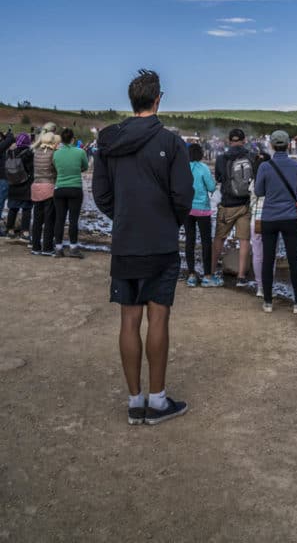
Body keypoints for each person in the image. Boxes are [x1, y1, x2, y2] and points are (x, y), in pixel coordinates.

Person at [92, 69, 193, 426]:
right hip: (161, 242)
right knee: (159, 317)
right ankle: (159, 401)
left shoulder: (108, 143)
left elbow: (101, 194)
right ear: (158, 99)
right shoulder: (171, 141)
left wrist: (122, 217)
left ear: (132, 101)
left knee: (129, 318)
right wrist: (169, 221)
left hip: (125, 241)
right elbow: (183, 195)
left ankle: (136, 403)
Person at [253, 129, 297, 314]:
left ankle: (268, 302)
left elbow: (259, 192)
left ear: (272, 145)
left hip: (269, 218)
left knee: (268, 259)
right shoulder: (295, 166)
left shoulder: (265, 167)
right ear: (288, 144)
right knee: (294, 260)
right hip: (290, 217)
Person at [206, 129, 255, 288]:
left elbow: (219, 178)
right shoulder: (251, 156)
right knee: (244, 240)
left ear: (229, 141)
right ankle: (241, 276)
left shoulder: (221, 158)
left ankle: (211, 271)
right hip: (245, 205)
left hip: (227, 204)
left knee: (219, 238)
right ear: (244, 140)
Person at [52, 127, 89, 257]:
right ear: (73, 139)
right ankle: (73, 248)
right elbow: (85, 166)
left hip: (59, 188)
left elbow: (56, 168)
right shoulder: (80, 152)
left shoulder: (56, 153)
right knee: (73, 220)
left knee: (59, 219)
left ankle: (58, 248)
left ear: (62, 139)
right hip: (75, 188)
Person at [185, 144, 216, 287]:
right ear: (201, 154)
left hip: (186, 208)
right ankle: (207, 276)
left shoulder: (183, 167)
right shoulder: (203, 168)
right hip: (202, 209)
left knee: (189, 240)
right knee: (206, 241)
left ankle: (191, 275)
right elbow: (211, 187)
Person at [30, 123, 61, 256]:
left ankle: (35, 246)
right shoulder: (53, 154)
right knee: (49, 220)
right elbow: (56, 170)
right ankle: (47, 247)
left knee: (37, 219)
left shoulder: (36, 152)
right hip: (49, 187)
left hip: (36, 187)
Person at [5, 133, 33, 239]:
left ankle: (10, 230)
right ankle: (25, 232)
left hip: (13, 185)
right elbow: (32, 171)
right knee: (26, 209)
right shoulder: (30, 154)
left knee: (13, 208)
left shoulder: (10, 153)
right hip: (26, 185)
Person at [249, 153, 269, 299]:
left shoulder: (252, 182)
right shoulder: (272, 180)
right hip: (271, 218)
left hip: (255, 220)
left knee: (257, 255)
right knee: (271, 254)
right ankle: (269, 285)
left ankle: (260, 287)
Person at [0, 127, 16, 233]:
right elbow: (9, 140)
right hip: (2, 179)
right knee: (0, 203)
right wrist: (9, 135)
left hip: (3, 179)